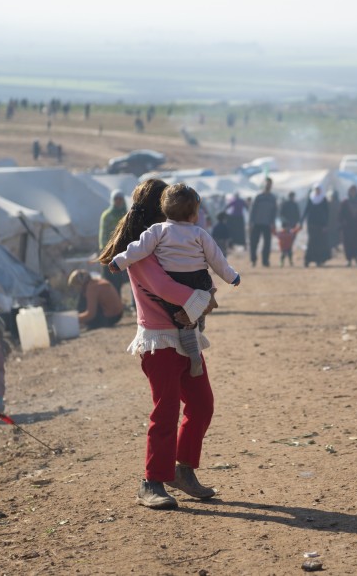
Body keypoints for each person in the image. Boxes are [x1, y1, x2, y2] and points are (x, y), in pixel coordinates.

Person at [98, 178, 220, 510]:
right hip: (159, 340)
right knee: (165, 412)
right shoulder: (140, 251)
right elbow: (164, 287)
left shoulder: (170, 246)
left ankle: (182, 470)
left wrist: (205, 293)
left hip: (186, 338)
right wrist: (203, 300)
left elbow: (197, 274)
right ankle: (151, 482)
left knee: (201, 405)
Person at [108, 183, 240, 378]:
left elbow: (136, 250)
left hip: (176, 305)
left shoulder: (155, 234)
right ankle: (195, 342)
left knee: (201, 406)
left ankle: (195, 337)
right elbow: (216, 260)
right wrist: (225, 282)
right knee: (190, 321)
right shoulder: (196, 233)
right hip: (164, 335)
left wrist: (118, 261)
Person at [99, 189, 130, 300]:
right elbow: (103, 235)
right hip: (112, 252)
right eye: (116, 199)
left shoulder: (127, 215)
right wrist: (105, 252)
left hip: (126, 251)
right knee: (113, 280)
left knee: (131, 277)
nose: (118, 201)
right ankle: (116, 301)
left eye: (120, 199)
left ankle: (133, 304)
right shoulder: (107, 215)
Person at [248, 177, 278, 267]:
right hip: (256, 223)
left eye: (269, 184)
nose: (268, 186)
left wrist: (273, 223)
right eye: (266, 184)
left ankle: (265, 261)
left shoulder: (273, 198)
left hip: (267, 224)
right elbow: (252, 210)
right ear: (264, 185)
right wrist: (250, 223)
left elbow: (274, 211)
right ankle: (253, 260)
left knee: (267, 244)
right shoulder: (258, 197)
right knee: (254, 243)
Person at [339, 184, 357, 266]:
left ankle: (356, 257)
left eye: (354, 191)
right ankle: (349, 260)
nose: (352, 193)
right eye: (351, 191)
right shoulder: (345, 203)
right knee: (348, 244)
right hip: (348, 228)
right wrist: (342, 223)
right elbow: (341, 215)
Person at [301, 185, 331, 267]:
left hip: (320, 225)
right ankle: (307, 260)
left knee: (319, 243)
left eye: (318, 189)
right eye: (316, 189)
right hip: (311, 224)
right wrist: (301, 221)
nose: (317, 191)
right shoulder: (311, 198)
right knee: (311, 242)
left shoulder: (323, 199)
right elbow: (306, 210)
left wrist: (325, 225)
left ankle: (319, 260)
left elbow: (326, 213)